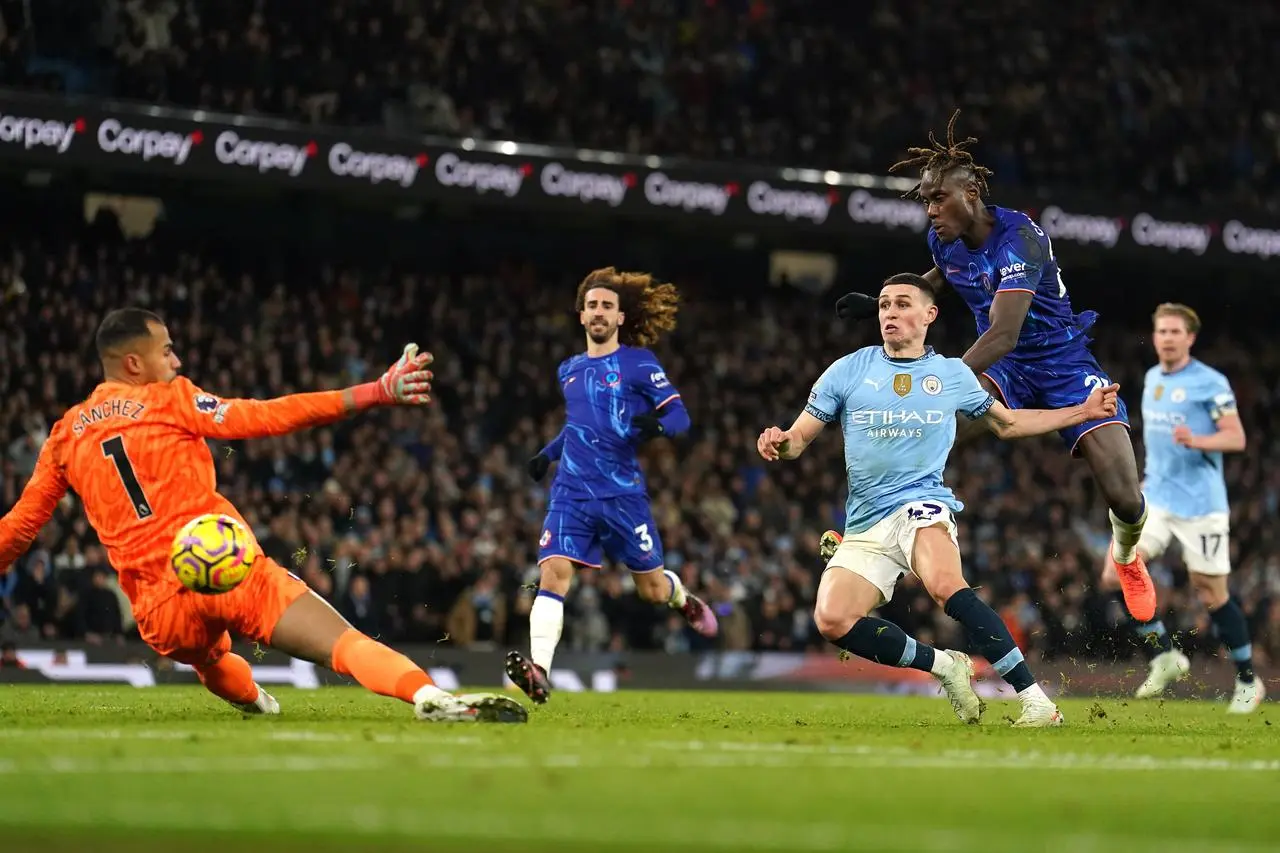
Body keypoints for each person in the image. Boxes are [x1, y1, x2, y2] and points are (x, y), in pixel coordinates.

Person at [0, 308, 526, 724]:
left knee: (208, 659)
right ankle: (428, 695)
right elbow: (267, 415)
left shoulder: (64, 435)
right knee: (344, 645)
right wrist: (375, 391)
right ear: (134, 364)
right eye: (166, 351)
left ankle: (254, 701)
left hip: (158, 608)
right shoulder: (170, 400)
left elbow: (20, 527)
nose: (176, 362)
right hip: (230, 567)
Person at [836, 110, 1156, 624]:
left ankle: (1125, 556)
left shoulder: (1019, 240)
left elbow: (1005, 333)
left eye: (938, 198)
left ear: (970, 195)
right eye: (925, 201)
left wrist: (936, 382)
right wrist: (884, 298)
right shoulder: (942, 239)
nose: (931, 210)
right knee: (925, 428)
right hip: (1005, 370)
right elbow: (942, 276)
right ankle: (869, 531)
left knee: (1124, 492)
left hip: (1060, 362)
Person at [762, 273, 1119, 727]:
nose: (891, 313)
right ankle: (944, 665)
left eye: (903, 304)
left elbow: (1008, 424)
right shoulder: (848, 369)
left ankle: (1035, 700)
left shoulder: (951, 374)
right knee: (833, 621)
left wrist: (1083, 412)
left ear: (929, 315)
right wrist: (780, 441)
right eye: (885, 305)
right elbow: (799, 439)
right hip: (866, 522)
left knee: (946, 585)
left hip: (922, 504)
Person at [506, 267, 718, 704]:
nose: (599, 313)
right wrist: (547, 455)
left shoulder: (639, 362)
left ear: (621, 317)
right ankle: (539, 670)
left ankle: (681, 597)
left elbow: (680, 418)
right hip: (572, 492)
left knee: (652, 590)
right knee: (553, 572)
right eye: (592, 306)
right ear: (581, 316)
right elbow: (579, 426)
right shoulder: (569, 369)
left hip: (622, 495)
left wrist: (655, 426)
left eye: (607, 306)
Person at [1108, 303, 1261, 713]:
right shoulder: (1153, 377)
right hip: (1157, 496)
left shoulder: (1210, 383)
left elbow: (1236, 438)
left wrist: (1197, 439)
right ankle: (1164, 656)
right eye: (1161, 331)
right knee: (1119, 567)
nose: (1168, 338)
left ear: (1190, 338)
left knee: (1211, 591)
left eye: (1175, 332)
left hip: (1201, 505)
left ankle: (1248, 680)